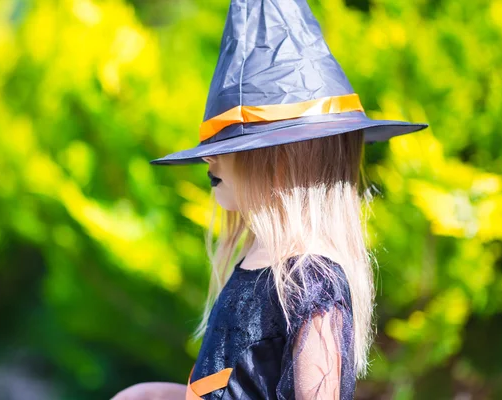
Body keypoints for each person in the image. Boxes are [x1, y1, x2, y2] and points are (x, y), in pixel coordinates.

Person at [113, 0, 429, 398]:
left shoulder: (311, 282)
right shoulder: (258, 258)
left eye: (232, 145)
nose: (209, 157)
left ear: (283, 161)